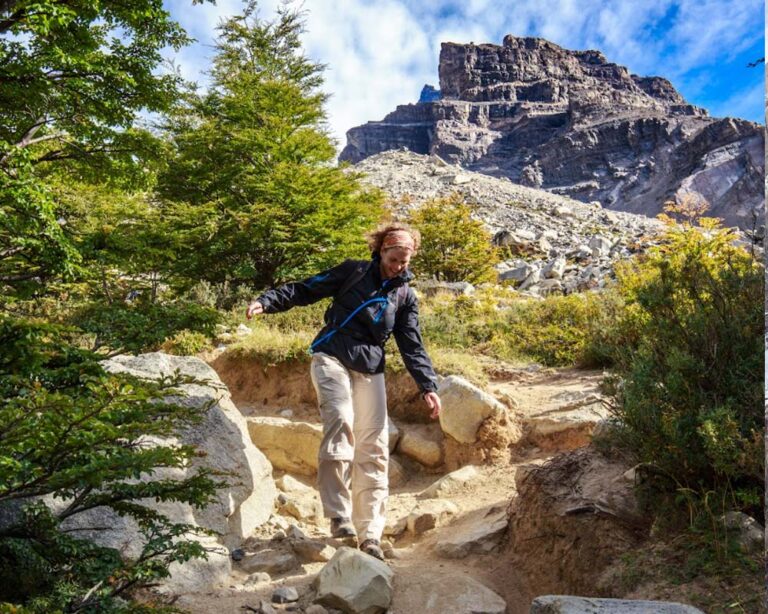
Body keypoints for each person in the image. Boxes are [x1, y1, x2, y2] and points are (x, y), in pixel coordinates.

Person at [246, 223, 441, 560]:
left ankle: (371, 533)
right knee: (340, 420)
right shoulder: (353, 271)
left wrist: (428, 386)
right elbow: (307, 289)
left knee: (376, 446)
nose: (398, 267)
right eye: (394, 259)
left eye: (405, 262)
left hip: (370, 366)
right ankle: (339, 515)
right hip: (331, 355)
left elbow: (412, 345)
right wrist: (268, 301)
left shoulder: (405, 296)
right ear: (381, 251)